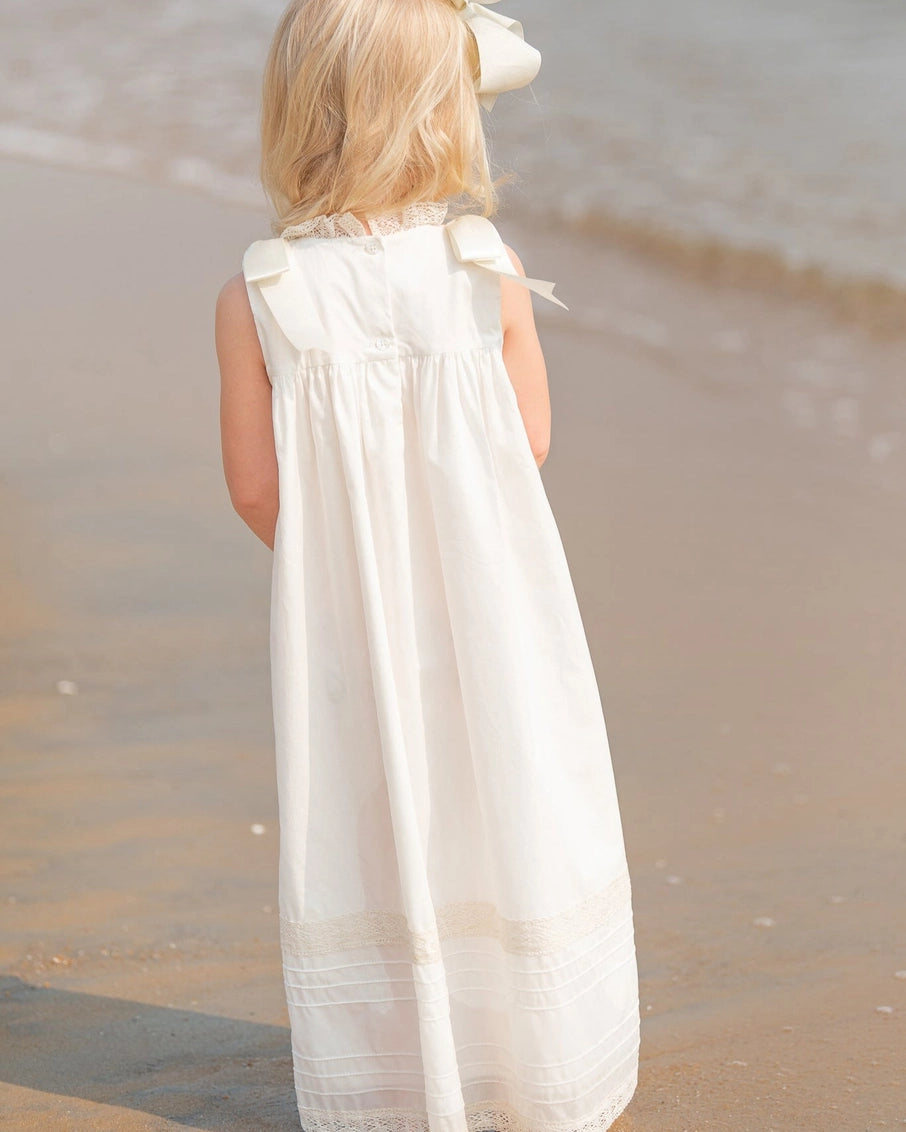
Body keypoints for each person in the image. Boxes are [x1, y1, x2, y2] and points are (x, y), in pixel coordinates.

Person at [214, 1, 640, 1128]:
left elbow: (256, 489)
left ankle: (401, 1077)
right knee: (510, 795)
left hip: (348, 612)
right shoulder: (483, 265)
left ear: (292, 110)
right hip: (493, 599)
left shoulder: (259, 294)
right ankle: (538, 1065)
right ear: (452, 111)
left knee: (375, 814)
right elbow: (525, 444)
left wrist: (345, 568)